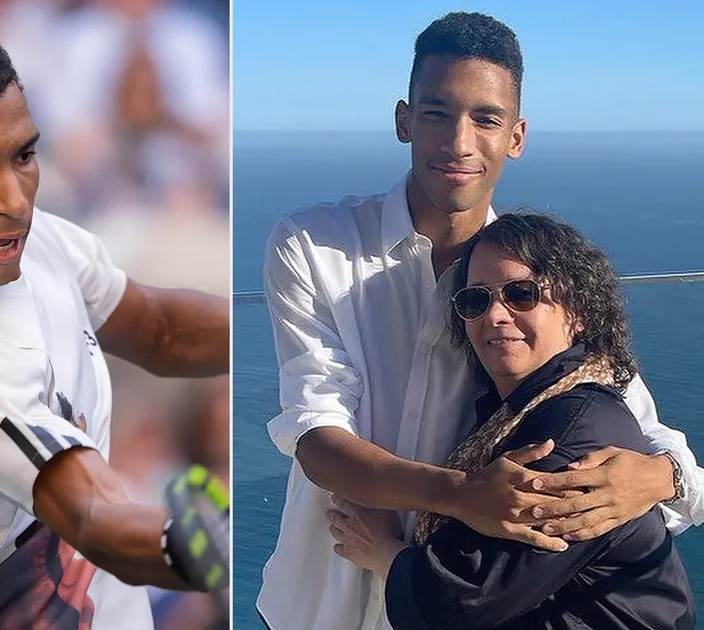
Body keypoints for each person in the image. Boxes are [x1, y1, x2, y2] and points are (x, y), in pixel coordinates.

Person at [258, 12, 702, 630]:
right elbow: (317, 438)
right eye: (437, 113)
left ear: (516, 136)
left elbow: (626, 416)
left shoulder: (532, 280)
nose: (458, 142)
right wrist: (463, 496)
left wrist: (659, 477)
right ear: (403, 120)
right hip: (319, 597)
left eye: (486, 119)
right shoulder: (313, 244)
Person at [0, 23, 228, 629]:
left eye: (23, 155)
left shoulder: (19, 237)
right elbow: (94, 518)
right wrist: (219, 542)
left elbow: (159, 328)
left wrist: (297, 322)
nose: (14, 199)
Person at [329, 213, 696, 629]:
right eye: (476, 300)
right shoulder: (522, 407)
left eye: (522, 294)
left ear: (577, 311)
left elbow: (457, 604)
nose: (496, 315)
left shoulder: (571, 434)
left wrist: (382, 551)